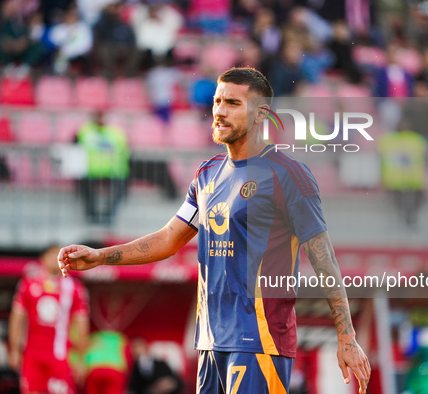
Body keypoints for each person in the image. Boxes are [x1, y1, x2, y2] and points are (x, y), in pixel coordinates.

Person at [58, 67, 370, 393]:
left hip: (259, 340)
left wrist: (346, 336)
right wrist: (99, 256)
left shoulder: (288, 175)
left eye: (233, 103)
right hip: (210, 341)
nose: (219, 111)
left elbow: (324, 259)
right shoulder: (207, 174)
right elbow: (168, 239)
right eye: (217, 101)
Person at [8, 244, 90, 394]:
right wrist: (14, 349)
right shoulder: (28, 283)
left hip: (60, 356)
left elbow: (82, 324)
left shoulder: (75, 288)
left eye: (59, 255)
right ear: (43, 259)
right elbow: (17, 317)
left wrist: (81, 359)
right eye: (52, 254)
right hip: (32, 355)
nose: (55, 258)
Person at [76, 111, 131, 224]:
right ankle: (91, 215)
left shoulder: (116, 132)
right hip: (90, 170)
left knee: (119, 191)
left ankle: (110, 214)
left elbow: (125, 150)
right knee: (86, 191)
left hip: (113, 170)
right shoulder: (85, 130)